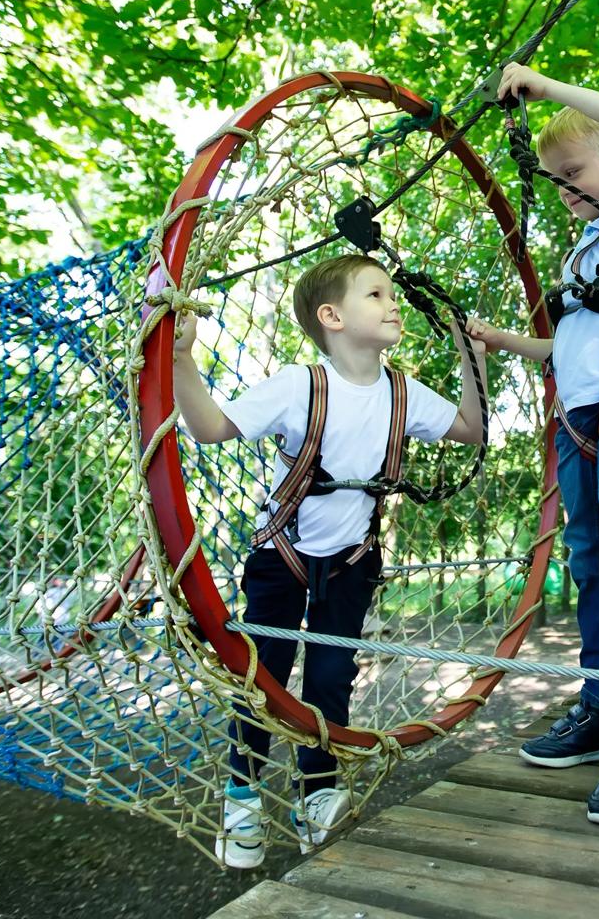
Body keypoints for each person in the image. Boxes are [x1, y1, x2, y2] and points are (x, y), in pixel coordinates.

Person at [173, 253, 487, 867]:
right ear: (332, 316)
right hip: (281, 555)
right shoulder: (299, 385)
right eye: (377, 294)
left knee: (329, 677)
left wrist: (468, 352)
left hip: (351, 558)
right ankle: (241, 797)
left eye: (390, 294)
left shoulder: (403, 393)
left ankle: (316, 793)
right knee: (260, 674)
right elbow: (210, 427)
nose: (393, 303)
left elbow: (472, 428)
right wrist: (183, 357)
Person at [467, 63, 599, 826]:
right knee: (588, 559)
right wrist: (505, 341)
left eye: (575, 170)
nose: (564, 185)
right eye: (554, 179)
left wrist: (546, 88)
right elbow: (569, 351)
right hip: (579, 422)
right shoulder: (584, 250)